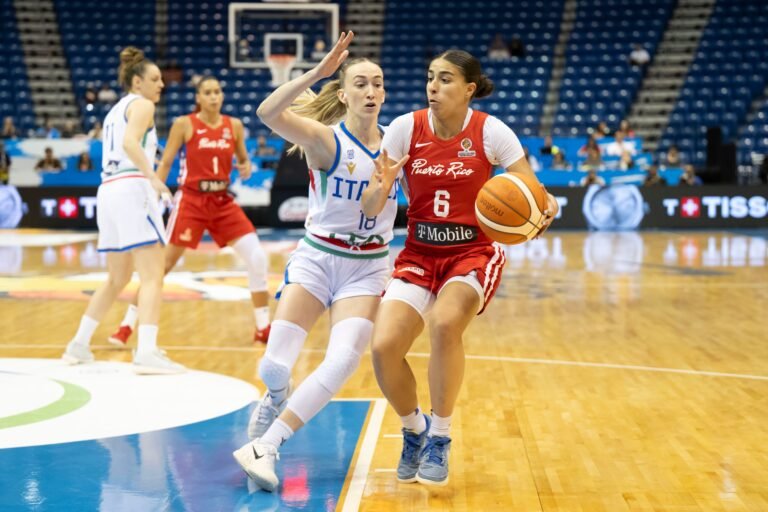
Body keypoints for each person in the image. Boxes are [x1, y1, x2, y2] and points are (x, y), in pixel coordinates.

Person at [361, 49, 558, 486]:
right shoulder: (403, 129)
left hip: (472, 253)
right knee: (383, 346)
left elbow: (530, 187)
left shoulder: (491, 131)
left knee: (445, 324)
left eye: (446, 79)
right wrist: (383, 185)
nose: (434, 86)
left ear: (469, 88)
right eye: (430, 77)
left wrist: (547, 203)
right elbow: (372, 205)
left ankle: (441, 439)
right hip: (418, 252)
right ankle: (415, 431)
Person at [232, 32, 399, 492]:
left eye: (378, 83)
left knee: (344, 358)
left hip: (367, 266)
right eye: (360, 83)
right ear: (344, 94)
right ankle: (276, 394)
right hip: (318, 258)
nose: (371, 91)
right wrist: (318, 72)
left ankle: (269, 445)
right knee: (274, 367)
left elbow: (371, 210)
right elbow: (268, 113)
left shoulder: (397, 143)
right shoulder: (325, 139)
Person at [107, 75, 272, 345]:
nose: (214, 96)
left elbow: (243, 158)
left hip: (222, 201)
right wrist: (154, 185)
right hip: (192, 200)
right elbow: (167, 160)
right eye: (207, 92)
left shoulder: (235, 126)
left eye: (217, 91)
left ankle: (263, 327)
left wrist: (246, 166)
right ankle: (126, 325)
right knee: (162, 267)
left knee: (257, 257)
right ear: (198, 98)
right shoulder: (184, 124)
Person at [61, 46, 184, 374]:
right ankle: (146, 352)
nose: (161, 85)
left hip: (108, 191)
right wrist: (155, 178)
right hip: (132, 188)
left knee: (117, 277)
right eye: (155, 79)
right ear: (137, 82)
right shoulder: (142, 105)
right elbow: (131, 143)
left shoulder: (115, 110)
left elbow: (125, 144)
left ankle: (78, 344)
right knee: (152, 275)